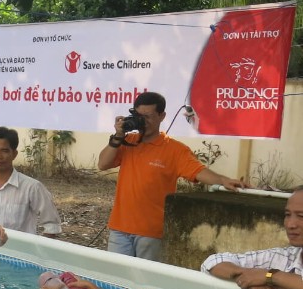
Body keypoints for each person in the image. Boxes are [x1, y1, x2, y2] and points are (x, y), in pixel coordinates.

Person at [97, 91, 243, 261]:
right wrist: (118, 137)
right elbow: (103, 164)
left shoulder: (174, 150)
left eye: (148, 116)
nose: (143, 121)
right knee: (116, 280)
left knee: (145, 281)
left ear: (162, 116)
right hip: (119, 228)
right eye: (139, 115)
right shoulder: (128, 142)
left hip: (151, 233)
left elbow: (198, 171)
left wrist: (223, 180)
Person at [200, 188, 303, 289]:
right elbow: (213, 261)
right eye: (287, 215)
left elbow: (268, 276)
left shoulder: (272, 271)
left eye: (301, 216)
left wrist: (270, 277)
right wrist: (245, 277)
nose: (291, 224)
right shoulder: (285, 256)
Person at [0, 127, 62, 238]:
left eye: (4, 151)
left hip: (18, 252)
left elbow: (52, 225)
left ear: (14, 154)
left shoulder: (31, 187)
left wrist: (37, 252)